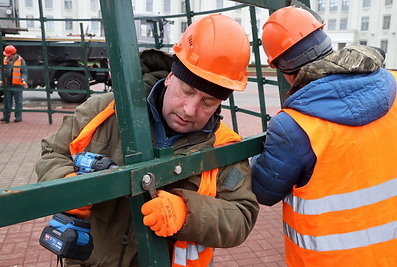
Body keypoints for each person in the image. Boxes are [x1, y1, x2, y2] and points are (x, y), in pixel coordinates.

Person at [36, 14, 259, 267]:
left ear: (220, 102)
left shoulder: (225, 146)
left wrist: (188, 212)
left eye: (208, 102)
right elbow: (52, 153)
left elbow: (241, 216)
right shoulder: (105, 110)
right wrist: (66, 184)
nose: (189, 109)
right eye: (187, 91)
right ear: (171, 77)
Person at [251, 6, 397, 267]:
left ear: (284, 71)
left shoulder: (294, 126)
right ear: (327, 43)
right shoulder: (395, 84)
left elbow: (264, 190)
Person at [0, 45, 28, 123]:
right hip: (7, 84)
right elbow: (2, 71)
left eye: (8, 55)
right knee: (7, 101)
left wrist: (24, 80)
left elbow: (24, 72)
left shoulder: (21, 61)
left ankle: (18, 117)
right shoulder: (5, 60)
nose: (7, 56)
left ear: (13, 54)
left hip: (17, 84)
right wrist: (0, 79)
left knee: (18, 101)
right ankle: (6, 116)